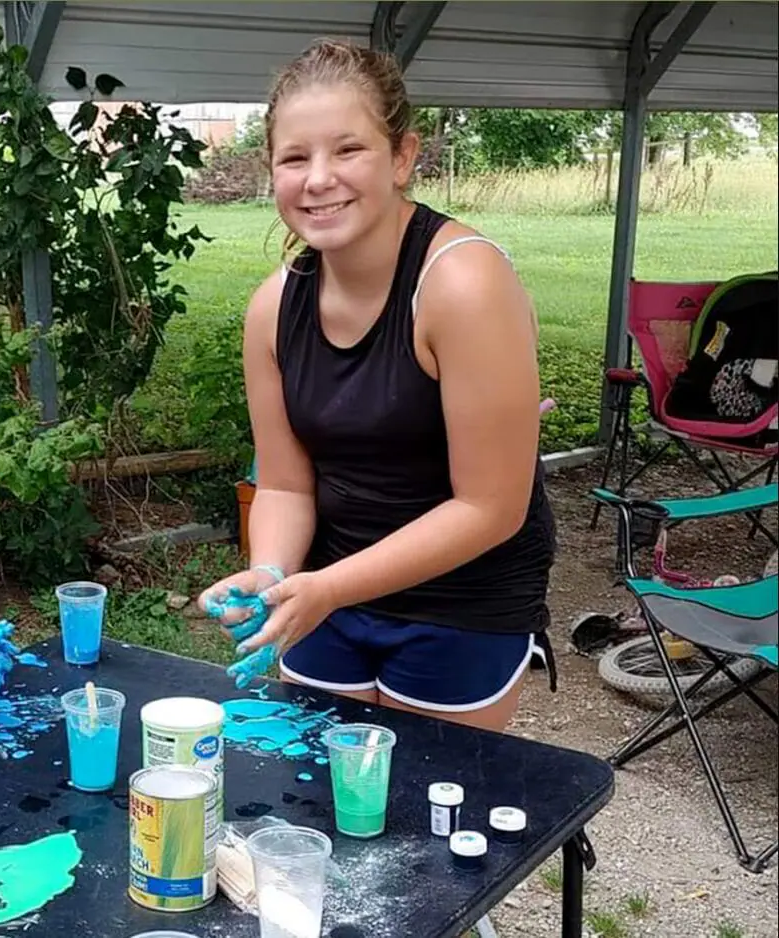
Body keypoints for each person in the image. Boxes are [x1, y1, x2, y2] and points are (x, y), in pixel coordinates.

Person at [200, 40, 556, 733]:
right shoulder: (273, 307)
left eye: (348, 150)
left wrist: (325, 589)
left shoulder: (463, 283)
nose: (319, 178)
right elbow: (282, 486)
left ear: (401, 156)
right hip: (326, 591)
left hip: (463, 601)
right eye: (294, 158)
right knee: (317, 809)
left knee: (424, 816)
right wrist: (274, 574)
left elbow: (491, 507)